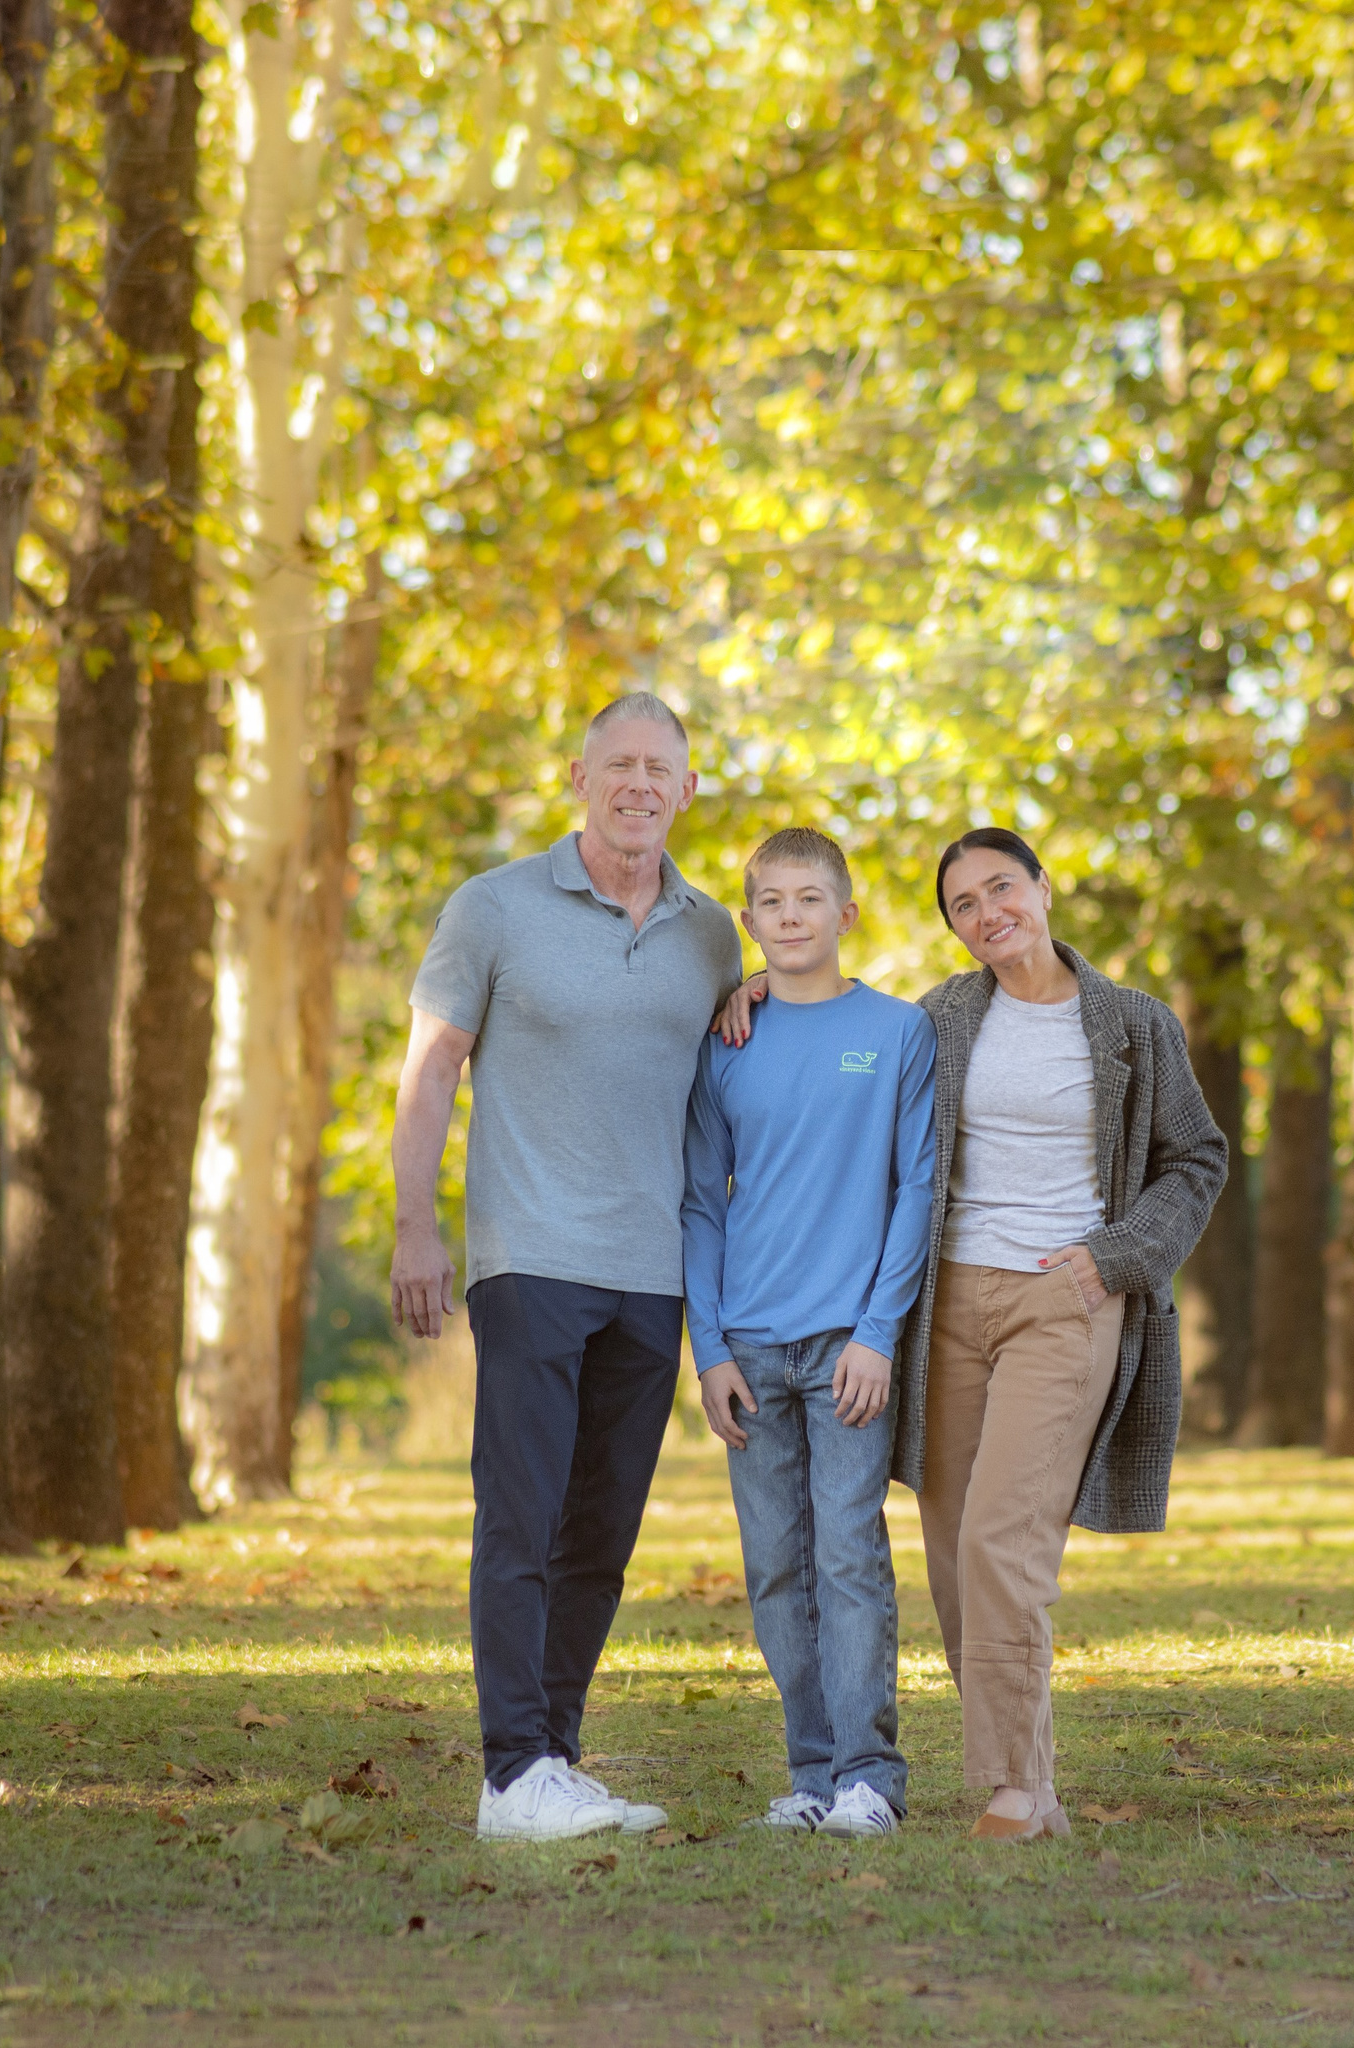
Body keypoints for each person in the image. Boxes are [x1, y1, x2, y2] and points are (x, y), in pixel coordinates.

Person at [390, 692, 745, 1843]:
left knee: (599, 1530)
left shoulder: (709, 931)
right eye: (618, 764)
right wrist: (415, 1226)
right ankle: (508, 1773)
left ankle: (553, 1756)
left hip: (653, 1270)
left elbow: (727, 1076)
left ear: (686, 791)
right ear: (580, 778)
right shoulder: (492, 907)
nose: (639, 783)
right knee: (524, 1515)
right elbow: (433, 1066)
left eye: (661, 768)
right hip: (529, 1252)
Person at [908, 827, 1228, 1837]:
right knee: (956, 1546)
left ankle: (1008, 1781)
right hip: (949, 1300)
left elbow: (1196, 1158)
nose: (987, 910)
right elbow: (845, 1060)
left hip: (1067, 1300)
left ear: (1043, 887)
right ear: (955, 927)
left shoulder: (1133, 1024)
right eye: (963, 903)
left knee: (1007, 1535)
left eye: (1002, 885)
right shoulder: (939, 1019)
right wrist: (751, 996)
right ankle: (1033, 1781)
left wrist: (1118, 1257)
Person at [683, 828, 937, 1840]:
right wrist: (707, 1350)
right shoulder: (725, 1042)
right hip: (748, 1344)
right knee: (776, 1565)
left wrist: (878, 1331)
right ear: (749, 924)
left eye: (809, 899)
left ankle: (871, 1774)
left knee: (848, 1555)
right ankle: (812, 1772)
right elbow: (700, 1202)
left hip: (846, 1345)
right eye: (772, 903)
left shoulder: (899, 1031)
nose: (791, 917)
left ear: (847, 913)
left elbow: (916, 1184)